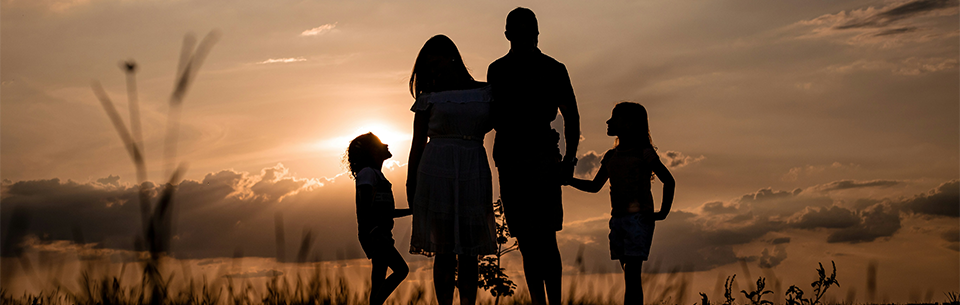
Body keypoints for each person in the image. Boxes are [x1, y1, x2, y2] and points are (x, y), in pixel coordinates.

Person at [487, 7, 580, 305]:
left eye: (530, 30)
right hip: (512, 158)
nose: (526, 36)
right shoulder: (498, 70)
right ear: (508, 35)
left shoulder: (554, 68)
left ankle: (553, 302)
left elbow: (572, 116)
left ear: (537, 33)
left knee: (545, 237)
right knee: (527, 240)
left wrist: (568, 160)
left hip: (542, 157)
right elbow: (491, 112)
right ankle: (540, 302)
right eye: (520, 31)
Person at [407, 34, 498, 305]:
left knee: (469, 251)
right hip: (436, 171)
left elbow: (505, 124)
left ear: (452, 59)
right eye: (428, 68)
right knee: (444, 249)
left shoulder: (485, 92)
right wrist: (411, 184)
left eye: (436, 64)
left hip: (472, 168)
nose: (433, 72)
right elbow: (417, 145)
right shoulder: (428, 98)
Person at [565, 102, 675, 305]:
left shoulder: (644, 152)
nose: (608, 121)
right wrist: (568, 180)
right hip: (617, 220)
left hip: (638, 220)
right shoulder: (610, 156)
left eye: (614, 117)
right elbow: (594, 186)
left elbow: (668, 180)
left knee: (632, 275)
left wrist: (662, 213)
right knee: (629, 274)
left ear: (630, 123)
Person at [347, 132, 412, 305]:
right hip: (376, 235)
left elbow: (384, 212)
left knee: (378, 281)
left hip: (380, 234)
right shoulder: (368, 174)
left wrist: (412, 211)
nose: (386, 145)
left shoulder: (374, 174)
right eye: (380, 143)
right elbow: (365, 207)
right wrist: (373, 231)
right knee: (401, 270)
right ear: (372, 151)